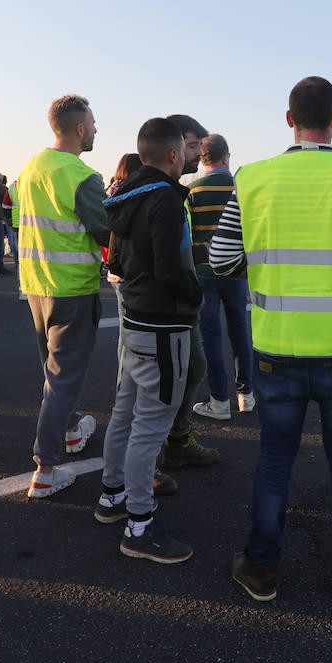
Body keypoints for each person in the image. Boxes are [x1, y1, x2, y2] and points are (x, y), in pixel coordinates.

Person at [209, 76, 332, 604]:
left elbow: (219, 260)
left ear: (288, 119)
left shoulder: (251, 179)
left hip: (275, 349)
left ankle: (259, 567)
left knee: (275, 458)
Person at [96, 118, 202, 563]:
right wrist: (195, 296)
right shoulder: (165, 200)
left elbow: (117, 259)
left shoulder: (123, 196)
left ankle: (112, 495)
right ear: (174, 155)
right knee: (150, 426)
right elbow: (168, 266)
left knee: (125, 412)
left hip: (134, 318)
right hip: (162, 325)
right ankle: (139, 525)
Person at [17, 94, 108, 498]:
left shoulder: (31, 166)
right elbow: (106, 229)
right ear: (79, 128)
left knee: (54, 371)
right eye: (93, 122)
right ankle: (47, 467)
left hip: (35, 283)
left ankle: (72, 429)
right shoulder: (81, 175)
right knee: (62, 376)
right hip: (71, 286)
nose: (95, 128)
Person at [159, 114, 218, 470]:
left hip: (181, 298)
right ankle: (142, 469)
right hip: (163, 306)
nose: (199, 152)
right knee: (153, 384)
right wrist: (192, 294)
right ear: (175, 146)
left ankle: (177, 439)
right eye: (194, 145)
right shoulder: (159, 193)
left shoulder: (178, 191)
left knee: (194, 368)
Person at [188, 133, 254, 421]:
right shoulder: (242, 188)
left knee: (211, 338)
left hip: (204, 272)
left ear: (203, 159)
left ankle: (218, 400)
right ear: (225, 156)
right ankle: (246, 396)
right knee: (240, 332)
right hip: (237, 272)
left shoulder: (191, 190)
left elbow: (187, 235)